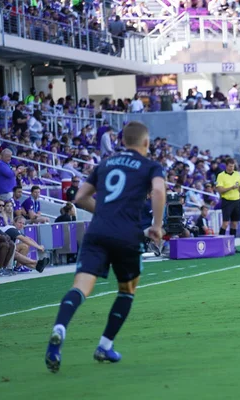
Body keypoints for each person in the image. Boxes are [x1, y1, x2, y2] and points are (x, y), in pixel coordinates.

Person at [45, 121, 166, 373]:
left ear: (122, 142)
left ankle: (59, 329)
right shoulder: (150, 166)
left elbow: (79, 198)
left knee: (80, 288)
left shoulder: (106, 164)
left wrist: (107, 213)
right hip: (127, 235)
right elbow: (157, 191)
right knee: (127, 289)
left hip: (97, 232)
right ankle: (104, 345)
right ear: (146, 143)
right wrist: (156, 224)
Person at [215, 158, 240, 253]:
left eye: (233, 166)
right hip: (227, 201)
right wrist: (231, 187)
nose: (232, 168)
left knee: (234, 224)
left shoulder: (237, 174)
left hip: (236, 200)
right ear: (226, 166)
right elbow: (220, 190)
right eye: (230, 166)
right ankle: (219, 245)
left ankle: (232, 246)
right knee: (225, 223)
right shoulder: (221, 176)